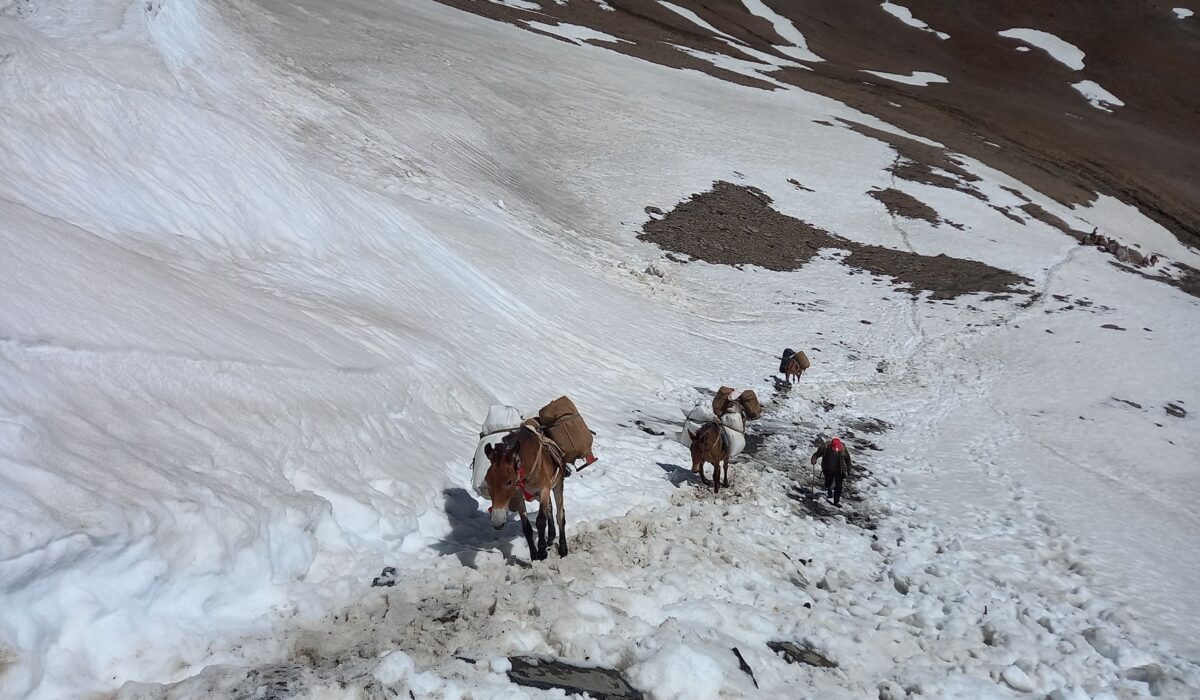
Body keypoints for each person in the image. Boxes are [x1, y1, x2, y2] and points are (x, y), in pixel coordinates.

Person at [811, 437, 852, 507]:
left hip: (839, 470)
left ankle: (836, 502)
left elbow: (848, 460)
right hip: (828, 469)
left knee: (839, 487)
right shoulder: (825, 447)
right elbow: (816, 454)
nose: (835, 451)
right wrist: (814, 459)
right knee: (828, 483)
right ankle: (829, 489)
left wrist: (848, 470)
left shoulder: (843, 449)